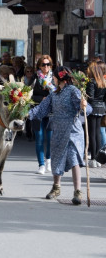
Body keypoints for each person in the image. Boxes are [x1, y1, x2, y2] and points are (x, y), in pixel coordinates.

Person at [28, 66, 92, 205]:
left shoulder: (73, 91)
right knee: (57, 159)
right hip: (58, 130)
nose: (53, 79)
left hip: (73, 131)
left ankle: (78, 192)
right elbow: (42, 108)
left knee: (74, 159)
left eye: (54, 77)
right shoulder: (54, 94)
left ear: (59, 78)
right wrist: (28, 114)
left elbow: (87, 109)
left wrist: (84, 105)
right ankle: (56, 188)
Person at [31, 55, 55, 175]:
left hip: (51, 112)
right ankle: (41, 165)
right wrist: (41, 98)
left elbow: (59, 92)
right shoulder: (35, 78)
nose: (46, 67)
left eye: (48, 64)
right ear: (39, 66)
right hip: (38, 111)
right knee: (39, 139)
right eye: (44, 65)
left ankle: (49, 161)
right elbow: (28, 94)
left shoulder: (55, 78)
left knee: (50, 139)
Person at [86, 61, 106, 168]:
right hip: (101, 108)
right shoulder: (103, 82)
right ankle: (98, 158)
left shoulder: (92, 82)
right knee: (98, 132)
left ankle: (94, 157)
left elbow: (91, 97)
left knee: (92, 133)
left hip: (93, 108)